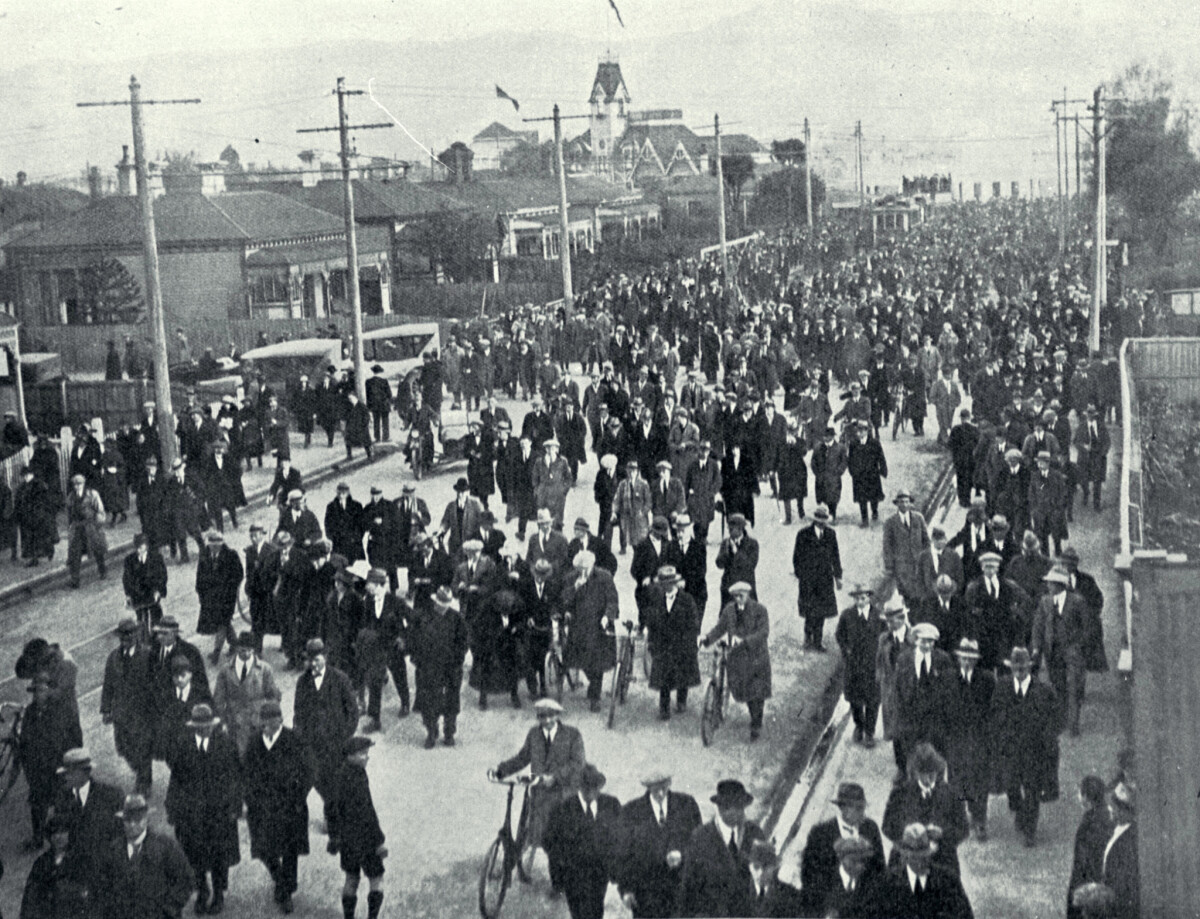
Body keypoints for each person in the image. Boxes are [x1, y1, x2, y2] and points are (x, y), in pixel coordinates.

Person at [494, 697, 586, 883]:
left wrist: (556, 777)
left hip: (563, 796)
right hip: (539, 794)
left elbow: (578, 764)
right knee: (528, 833)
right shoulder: (534, 734)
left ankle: (559, 884)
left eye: (551, 716)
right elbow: (523, 757)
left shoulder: (572, 735)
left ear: (558, 715)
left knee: (558, 842)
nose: (547, 720)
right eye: (542, 717)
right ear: (538, 717)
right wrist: (501, 770)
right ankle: (507, 869)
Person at [163, 703, 240, 915]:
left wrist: (235, 806)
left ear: (212, 725)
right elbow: (176, 779)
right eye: (200, 726)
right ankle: (202, 892)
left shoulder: (225, 744)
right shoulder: (184, 746)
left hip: (219, 812)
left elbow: (236, 777)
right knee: (194, 855)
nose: (204, 729)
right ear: (194, 727)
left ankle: (218, 894)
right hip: (192, 814)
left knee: (219, 855)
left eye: (207, 726)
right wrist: (173, 809)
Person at [243, 700, 311, 914]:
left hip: (290, 806)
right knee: (264, 849)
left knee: (290, 850)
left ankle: (286, 891)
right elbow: (245, 773)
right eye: (264, 723)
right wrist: (250, 798)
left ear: (280, 720)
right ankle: (281, 879)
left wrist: (299, 794)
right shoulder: (254, 742)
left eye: (272, 723)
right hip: (262, 808)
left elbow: (309, 769)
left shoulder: (293, 739)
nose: (268, 727)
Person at [990, 646, 1060, 847]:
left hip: (1033, 750)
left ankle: (1030, 831)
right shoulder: (1002, 687)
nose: (1019, 672)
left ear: (1029, 668)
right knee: (1012, 787)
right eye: (1015, 668)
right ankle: (1020, 811)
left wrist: (1048, 740)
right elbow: (994, 715)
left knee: (1032, 790)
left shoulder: (1043, 690)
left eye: (1023, 668)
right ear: (1011, 668)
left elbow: (1055, 719)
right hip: (1010, 751)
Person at [616, 770, 702, 919]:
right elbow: (623, 853)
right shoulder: (631, 811)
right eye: (656, 789)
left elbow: (700, 843)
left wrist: (682, 854)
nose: (661, 793)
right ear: (647, 787)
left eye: (664, 787)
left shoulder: (687, 805)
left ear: (670, 782)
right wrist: (626, 889)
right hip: (646, 896)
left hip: (681, 893)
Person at [93, 792, 193, 919]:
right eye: (128, 820)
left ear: (146, 819)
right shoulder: (113, 850)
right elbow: (101, 887)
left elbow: (185, 880)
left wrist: (167, 910)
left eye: (137, 820)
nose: (132, 825)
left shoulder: (165, 846)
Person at [543, 763, 622, 919]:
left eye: (595, 787)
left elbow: (621, 836)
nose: (592, 792)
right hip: (574, 876)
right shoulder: (563, 810)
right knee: (579, 913)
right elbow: (549, 841)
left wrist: (616, 867)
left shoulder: (611, 805)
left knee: (596, 910)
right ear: (579, 787)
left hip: (600, 873)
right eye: (587, 787)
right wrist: (561, 871)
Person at [676, 779, 765, 917]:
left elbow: (767, 882)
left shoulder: (755, 834)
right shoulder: (700, 838)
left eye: (739, 807)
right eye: (728, 806)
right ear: (719, 807)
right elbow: (688, 888)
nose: (734, 812)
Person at [293, 638, 358, 826]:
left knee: (334, 781)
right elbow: (298, 712)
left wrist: (345, 736)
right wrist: (299, 737)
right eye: (310, 660)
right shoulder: (303, 682)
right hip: (312, 743)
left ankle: (333, 817)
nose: (313, 664)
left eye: (317, 659)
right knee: (315, 779)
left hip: (335, 742)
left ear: (326, 657)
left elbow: (353, 712)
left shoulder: (340, 679)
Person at [18, 673, 83, 850]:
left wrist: (72, 763)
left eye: (41, 690)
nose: (37, 695)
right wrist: (29, 768)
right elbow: (24, 741)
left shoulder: (61, 711)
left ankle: (70, 840)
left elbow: (75, 736)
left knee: (63, 805)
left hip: (58, 768)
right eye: (35, 691)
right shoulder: (30, 712)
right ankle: (37, 838)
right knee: (37, 805)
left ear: (49, 691)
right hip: (38, 770)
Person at [799, 781, 886, 912]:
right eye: (858, 808)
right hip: (829, 906)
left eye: (862, 808)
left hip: (863, 907)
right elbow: (809, 876)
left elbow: (880, 869)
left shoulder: (870, 828)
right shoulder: (820, 833)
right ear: (843, 808)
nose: (862, 813)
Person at [701, 581, 772, 741]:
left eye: (741, 596)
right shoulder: (729, 610)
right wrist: (706, 639)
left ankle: (756, 725)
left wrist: (744, 641)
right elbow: (720, 628)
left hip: (756, 658)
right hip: (738, 658)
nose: (738, 599)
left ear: (748, 595)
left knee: (756, 693)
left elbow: (763, 632)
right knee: (743, 690)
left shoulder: (760, 610)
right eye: (735, 596)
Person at [328, 736, 387, 919]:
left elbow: (331, 809)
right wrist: (379, 841)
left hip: (347, 841)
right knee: (376, 880)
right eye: (362, 753)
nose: (366, 757)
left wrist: (335, 837)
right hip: (366, 840)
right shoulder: (358, 776)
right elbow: (367, 812)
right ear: (350, 755)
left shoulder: (339, 775)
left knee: (351, 879)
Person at [53, 746, 124, 893]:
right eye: (65, 773)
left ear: (84, 772)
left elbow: (122, 832)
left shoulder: (111, 795)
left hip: (106, 869)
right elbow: (57, 828)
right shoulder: (62, 797)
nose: (66, 777)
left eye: (70, 773)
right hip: (76, 871)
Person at [944, 637, 995, 840]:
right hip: (956, 737)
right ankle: (958, 817)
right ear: (958, 659)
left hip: (979, 737)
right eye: (964, 658)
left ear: (976, 660)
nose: (967, 662)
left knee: (979, 779)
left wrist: (989, 735)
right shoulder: (948, 678)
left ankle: (979, 819)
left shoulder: (986, 679)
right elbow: (942, 708)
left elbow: (992, 709)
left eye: (971, 659)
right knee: (957, 778)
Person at [560, 550, 620, 713]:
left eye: (586, 568)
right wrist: (574, 588)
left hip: (598, 626)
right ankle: (593, 683)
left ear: (592, 565)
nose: (583, 571)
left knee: (597, 662)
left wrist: (607, 616)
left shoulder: (604, 577)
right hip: (579, 627)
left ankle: (595, 697)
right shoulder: (571, 578)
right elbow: (564, 601)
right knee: (580, 660)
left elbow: (613, 600)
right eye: (580, 569)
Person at [1031, 566, 1089, 736]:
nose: (1048, 586)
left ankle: (1073, 724)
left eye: (1051, 583)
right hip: (1052, 652)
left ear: (1060, 585)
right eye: (1048, 583)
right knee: (1058, 686)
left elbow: (1087, 628)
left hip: (1072, 652)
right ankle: (1063, 720)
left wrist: (1078, 646)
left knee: (1073, 686)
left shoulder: (1077, 601)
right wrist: (1036, 648)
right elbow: (1038, 626)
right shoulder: (1045, 602)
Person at [100, 617, 155, 796]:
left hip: (142, 712)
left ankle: (144, 781)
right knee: (124, 749)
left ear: (136, 635)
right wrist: (106, 709)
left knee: (143, 747)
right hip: (121, 713)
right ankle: (140, 771)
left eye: (130, 634)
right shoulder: (113, 658)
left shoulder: (147, 655)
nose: (127, 638)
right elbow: (108, 684)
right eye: (124, 635)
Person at [409, 585, 469, 747]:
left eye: (445, 605)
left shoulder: (457, 619)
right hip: (428, 667)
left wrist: (457, 660)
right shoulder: (423, 616)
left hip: (451, 668)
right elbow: (413, 638)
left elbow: (464, 642)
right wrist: (417, 658)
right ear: (435, 602)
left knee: (451, 702)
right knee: (428, 701)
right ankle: (431, 732)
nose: (442, 608)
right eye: (440, 604)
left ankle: (449, 733)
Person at [873, 823, 974, 919]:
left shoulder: (948, 881)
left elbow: (965, 916)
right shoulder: (888, 884)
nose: (920, 863)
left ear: (930, 854)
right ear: (905, 857)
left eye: (924, 856)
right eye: (915, 858)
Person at [643, 566, 701, 719]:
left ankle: (681, 700)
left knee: (683, 674)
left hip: (682, 644)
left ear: (674, 583)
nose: (665, 587)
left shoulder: (687, 600)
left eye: (668, 584)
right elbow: (651, 620)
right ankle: (664, 708)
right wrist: (650, 636)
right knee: (664, 677)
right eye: (663, 584)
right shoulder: (657, 599)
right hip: (663, 644)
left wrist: (690, 641)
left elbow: (694, 623)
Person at [355, 568, 409, 730]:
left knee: (399, 676)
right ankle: (375, 719)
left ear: (379, 584)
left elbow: (411, 620)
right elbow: (365, 622)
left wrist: (403, 638)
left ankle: (405, 702)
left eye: (369, 584)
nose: (367, 587)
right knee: (374, 681)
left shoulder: (396, 602)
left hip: (393, 647)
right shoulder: (368, 601)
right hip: (376, 648)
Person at [211, 631, 281, 756]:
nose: (247, 654)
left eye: (250, 650)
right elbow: (218, 700)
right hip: (233, 723)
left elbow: (273, 697)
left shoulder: (264, 670)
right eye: (243, 650)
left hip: (257, 724)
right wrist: (222, 723)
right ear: (237, 648)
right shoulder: (226, 671)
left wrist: (269, 722)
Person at [836, 584, 885, 745]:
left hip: (872, 665)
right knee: (854, 699)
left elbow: (886, 636)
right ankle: (859, 725)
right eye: (857, 599)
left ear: (869, 598)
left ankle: (869, 732)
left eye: (863, 598)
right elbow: (840, 635)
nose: (860, 602)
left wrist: (881, 656)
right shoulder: (847, 615)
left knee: (873, 700)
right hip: (854, 665)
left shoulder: (878, 616)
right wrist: (846, 651)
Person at [19, 811, 91, 919]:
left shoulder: (80, 860)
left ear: (70, 833)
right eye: (54, 833)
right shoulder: (42, 863)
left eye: (63, 832)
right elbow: (30, 897)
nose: (58, 837)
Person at [793, 504, 843, 652]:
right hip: (808, 580)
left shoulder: (830, 534)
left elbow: (835, 556)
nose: (822, 522)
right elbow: (797, 557)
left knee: (821, 611)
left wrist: (838, 576)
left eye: (824, 520)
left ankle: (818, 641)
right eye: (819, 519)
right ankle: (808, 638)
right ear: (814, 519)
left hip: (825, 579)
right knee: (809, 610)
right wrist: (801, 574)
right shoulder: (803, 534)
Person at [1067, 776, 1114, 919]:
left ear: (1086, 797)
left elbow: (1082, 862)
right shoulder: (1109, 814)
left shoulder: (1088, 823)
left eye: (1080, 792)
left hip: (1089, 883)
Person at [195, 530, 244, 664]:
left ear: (222, 544)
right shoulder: (205, 555)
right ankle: (235, 644)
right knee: (223, 622)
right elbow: (199, 576)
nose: (215, 547)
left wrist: (230, 588)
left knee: (222, 623)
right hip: (210, 598)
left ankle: (216, 652)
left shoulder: (231, 555)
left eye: (217, 545)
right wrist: (200, 593)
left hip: (226, 597)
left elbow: (239, 574)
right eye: (212, 545)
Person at [882, 490, 930, 608]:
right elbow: (887, 547)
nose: (904, 504)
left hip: (919, 564)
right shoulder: (890, 522)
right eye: (901, 502)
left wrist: (928, 558)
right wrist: (889, 566)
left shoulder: (918, 518)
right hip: (902, 568)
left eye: (906, 502)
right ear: (897, 504)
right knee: (907, 596)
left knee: (922, 595)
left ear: (910, 503)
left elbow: (926, 540)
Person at [1101, 781, 1139, 919]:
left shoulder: (1129, 838)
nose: (1109, 809)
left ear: (1123, 810)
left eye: (1113, 806)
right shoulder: (1116, 827)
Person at [65, 473, 107, 588]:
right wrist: (70, 527)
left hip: (91, 526)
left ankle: (102, 570)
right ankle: (75, 580)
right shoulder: (71, 497)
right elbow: (69, 513)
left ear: (84, 484)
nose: (77, 486)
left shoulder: (92, 494)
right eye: (75, 484)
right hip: (78, 528)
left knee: (97, 549)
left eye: (79, 484)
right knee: (74, 553)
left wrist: (98, 524)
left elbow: (100, 510)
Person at [123, 533, 168, 631]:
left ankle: (156, 634)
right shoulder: (129, 560)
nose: (139, 550)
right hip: (137, 595)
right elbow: (126, 579)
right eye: (137, 547)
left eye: (141, 547)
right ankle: (144, 635)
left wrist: (158, 591)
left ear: (146, 546)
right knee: (141, 619)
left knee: (155, 616)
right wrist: (128, 595)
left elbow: (162, 576)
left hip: (152, 593)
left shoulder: (156, 558)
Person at [848, 419, 888, 526]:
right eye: (857, 431)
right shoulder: (853, 444)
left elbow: (881, 457)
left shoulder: (874, 443)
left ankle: (874, 511)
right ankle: (864, 519)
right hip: (859, 476)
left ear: (866, 431)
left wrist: (883, 470)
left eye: (861, 431)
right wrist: (852, 471)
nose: (859, 433)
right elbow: (850, 459)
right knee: (862, 498)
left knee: (874, 496)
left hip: (872, 474)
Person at [15, 465, 56, 567]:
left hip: (39, 516)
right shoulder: (21, 487)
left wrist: (41, 513)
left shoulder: (39, 485)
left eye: (27, 475)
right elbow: (18, 501)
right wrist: (19, 514)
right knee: (30, 538)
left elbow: (45, 501)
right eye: (24, 476)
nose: (25, 477)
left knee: (41, 537)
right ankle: (34, 558)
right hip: (26, 517)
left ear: (32, 474)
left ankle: (49, 551)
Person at [716, 512, 758, 609]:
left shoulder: (752, 544)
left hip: (746, 587)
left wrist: (736, 552)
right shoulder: (726, 543)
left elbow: (751, 565)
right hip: (728, 588)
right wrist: (726, 553)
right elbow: (719, 564)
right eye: (729, 529)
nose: (729, 532)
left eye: (731, 529)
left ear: (740, 529)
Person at [684, 440, 722, 543]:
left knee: (706, 520)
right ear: (699, 451)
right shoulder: (692, 465)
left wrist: (712, 492)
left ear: (709, 452)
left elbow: (718, 481)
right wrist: (688, 494)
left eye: (707, 451)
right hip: (695, 498)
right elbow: (687, 482)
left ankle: (704, 537)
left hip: (707, 498)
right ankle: (698, 539)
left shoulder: (713, 465)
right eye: (702, 450)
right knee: (696, 520)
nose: (704, 453)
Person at [811, 426, 848, 523]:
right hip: (821, 478)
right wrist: (817, 473)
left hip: (833, 478)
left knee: (833, 498)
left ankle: (833, 516)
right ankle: (823, 516)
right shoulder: (818, 447)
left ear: (832, 436)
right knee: (822, 497)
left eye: (827, 436)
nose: (824, 438)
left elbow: (844, 462)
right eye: (824, 436)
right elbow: (813, 462)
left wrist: (838, 472)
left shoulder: (840, 448)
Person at [324, 483, 365, 563]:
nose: (341, 495)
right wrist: (334, 538)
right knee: (339, 567)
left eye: (344, 492)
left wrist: (355, 537)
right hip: (339, 546)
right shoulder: (331, 507)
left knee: (356, 568)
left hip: (354, 546)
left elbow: (361, 525)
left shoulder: (357, 506)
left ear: (348, 492)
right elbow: (328, 525)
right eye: (339, 492)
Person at [365, 365, 393, 443]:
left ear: (373, 372)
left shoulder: (368, 382)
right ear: (380, 372)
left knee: (376, 421)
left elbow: (367, 395)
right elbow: (389, 394)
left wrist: (369, 406)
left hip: (374, 405)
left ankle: (377, 438)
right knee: (385, 421)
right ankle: (385, 437)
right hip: (384, 404)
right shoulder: (384, 381)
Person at [343, 391, 372, 460]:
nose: (350, 400)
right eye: (349, 398)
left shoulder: (361, 406)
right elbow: (345, 416)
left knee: (365, 441)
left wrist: (363, 424)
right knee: (348, 440)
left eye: (351, 398)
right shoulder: (348, 407)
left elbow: (367, 416)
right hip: (351, 427)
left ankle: (369, 454)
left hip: (361, 427)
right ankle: (349, 455)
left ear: (355, 398)